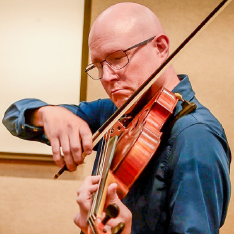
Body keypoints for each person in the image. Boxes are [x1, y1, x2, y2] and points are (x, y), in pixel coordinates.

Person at [2, 2, 231, 234]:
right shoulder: (112, 112)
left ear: (160, 47)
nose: (107, 77)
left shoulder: (196, 135)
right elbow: (13, 117)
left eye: (118, 58)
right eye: (99, 65)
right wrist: (45, 114)